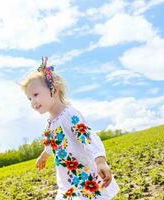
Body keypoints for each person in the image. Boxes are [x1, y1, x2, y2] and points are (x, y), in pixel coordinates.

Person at [20, 57, 119, 199]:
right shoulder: (50, 123)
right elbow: (52, 144)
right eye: (29, 98)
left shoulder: (69, 115)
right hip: (67, 183)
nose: (33, 102)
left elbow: (88, 137)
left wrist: (100, 161)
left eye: (35, 95)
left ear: (53, 89)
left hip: (84, 178)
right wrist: (44, 155)